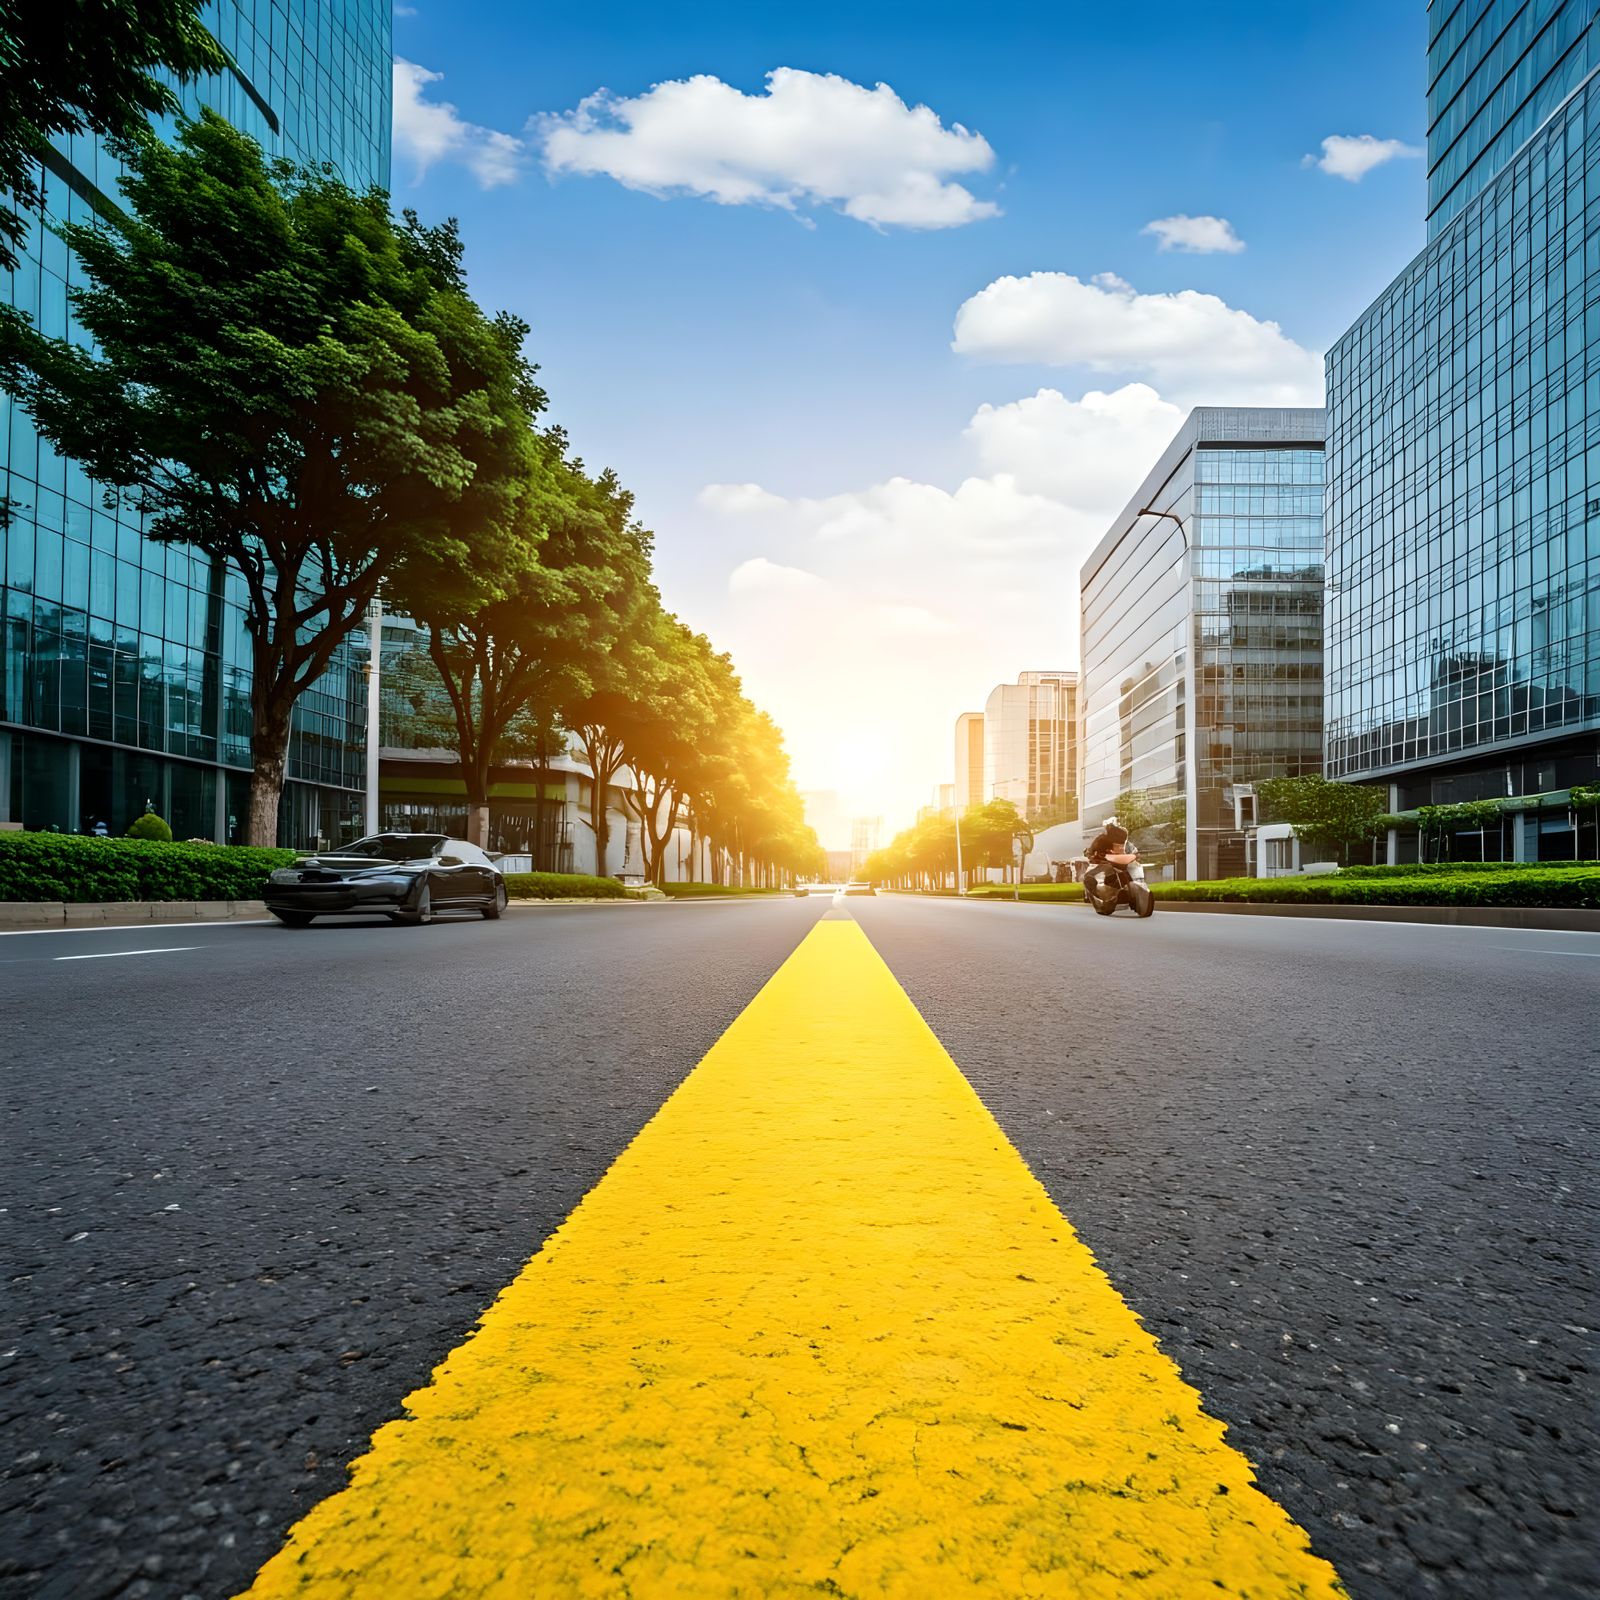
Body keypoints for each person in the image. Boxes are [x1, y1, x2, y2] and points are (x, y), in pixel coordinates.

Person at [1084, 816, 1133, 902]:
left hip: (1109, 862)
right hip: (1118, 862)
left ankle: (1102, 894)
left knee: (1088, 876)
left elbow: (1092, 849)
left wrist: (1091, 854)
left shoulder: (1102, 838)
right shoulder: (1124, 836)